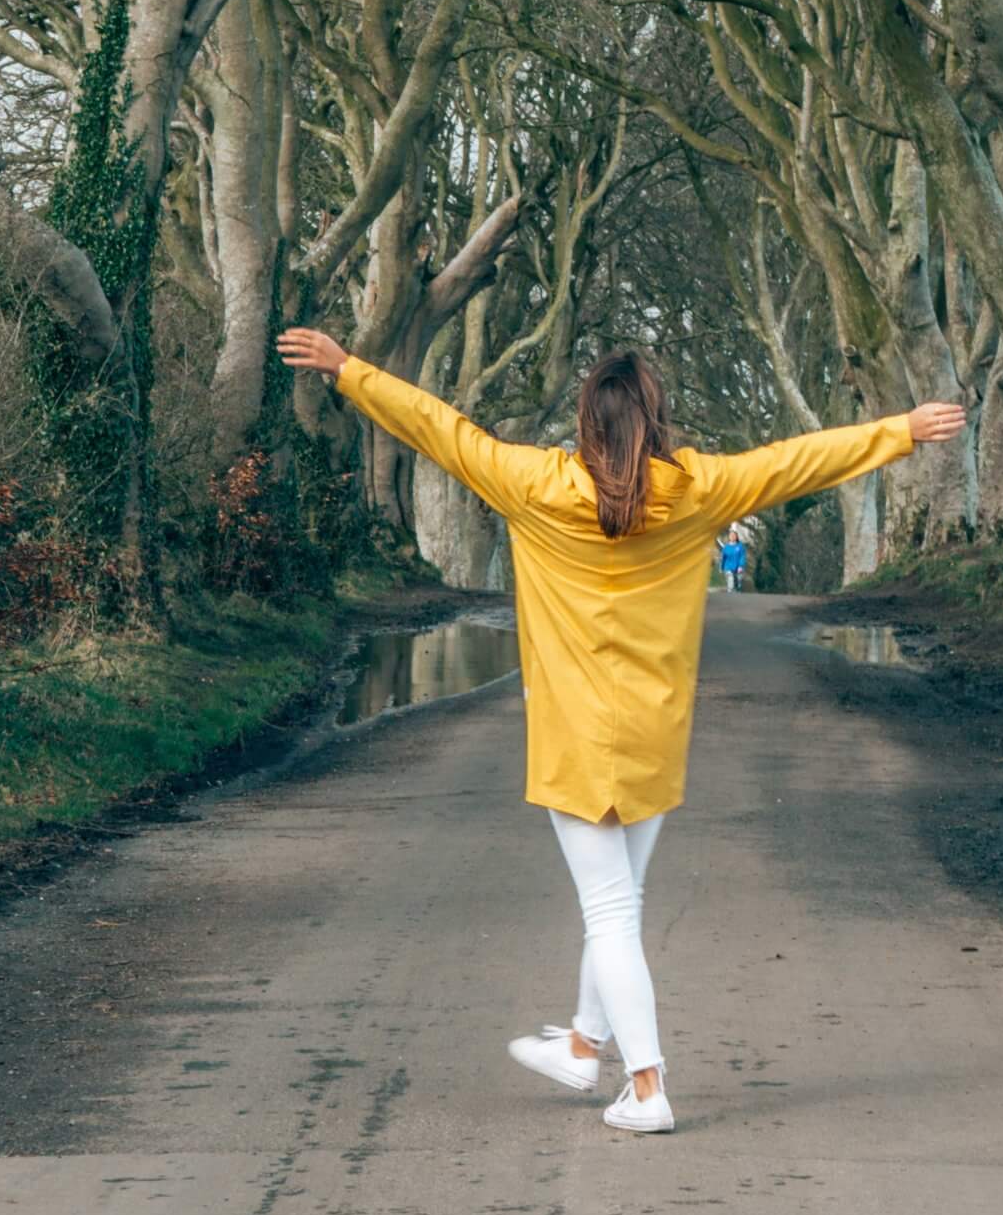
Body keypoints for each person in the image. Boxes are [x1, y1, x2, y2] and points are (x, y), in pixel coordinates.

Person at [276, 328, 965, 1136]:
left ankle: (646, 1087)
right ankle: (580, 1044)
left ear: (586, 421)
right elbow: (795, 462)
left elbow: (437, 427)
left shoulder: (532, 483)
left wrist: (350, 370)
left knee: (609, 915)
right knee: (620, 902)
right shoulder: (699, 488)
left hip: (575, 737)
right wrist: (902, 431)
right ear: (657, 418)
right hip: (654, 733)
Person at [718, 526, 747, 592]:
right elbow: (723, 558)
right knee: (730, 580)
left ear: (736, 537)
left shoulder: (740, 546)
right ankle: (730, 593)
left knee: (738, 583)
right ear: (729, 537)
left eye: (734, 535)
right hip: (728, 567)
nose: (732, 537)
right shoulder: (726, 547)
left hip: (737, 568)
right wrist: (721, 568)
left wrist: (740, 566)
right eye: (731, 535)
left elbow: (742, 556)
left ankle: (737, 593)